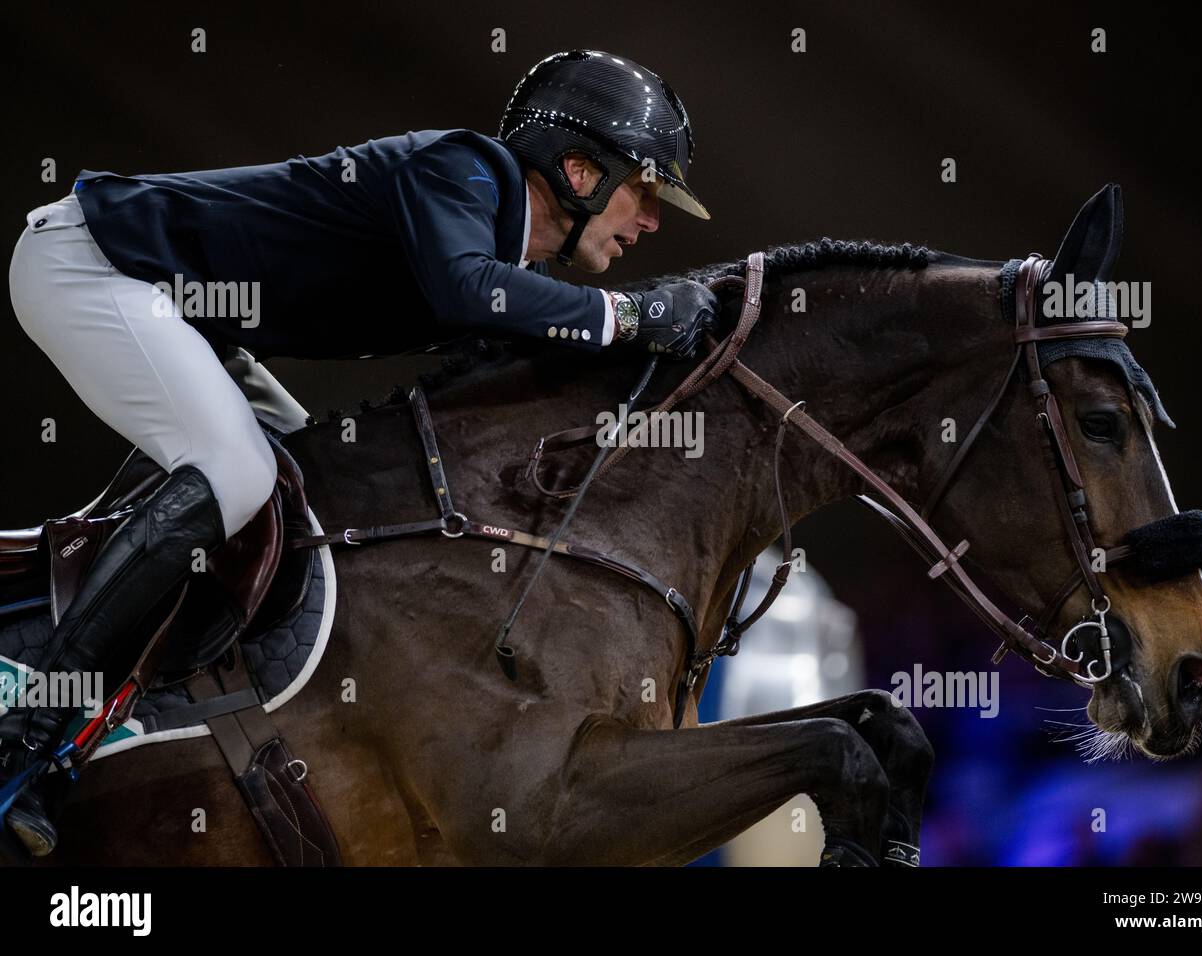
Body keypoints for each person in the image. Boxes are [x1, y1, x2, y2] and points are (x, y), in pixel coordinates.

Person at [2, 48, 717, 856]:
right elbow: (467, 290)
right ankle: (30, 734)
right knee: (234, 471)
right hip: (93, 264)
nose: (651, 222)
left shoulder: (500, 246)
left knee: (310, 489)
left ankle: (165, 711)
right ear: (580, 169)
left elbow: (516, 334)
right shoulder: (465, 169)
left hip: (181, 312)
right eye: (645, 191)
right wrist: (627, 316)